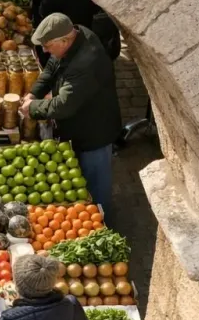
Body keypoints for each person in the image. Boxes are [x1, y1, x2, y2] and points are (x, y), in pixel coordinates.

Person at [19, 13, 122, 214]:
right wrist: (33, 93)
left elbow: (63, 105)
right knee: (79, 180)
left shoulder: (86, 61)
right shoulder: (76, 35)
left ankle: (103, 227)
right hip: (79, 122)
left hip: (95, 131)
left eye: (47, 46)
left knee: (96, 188)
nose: (45, 51)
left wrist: (32, 109)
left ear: (65, 40)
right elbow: (50, 69)